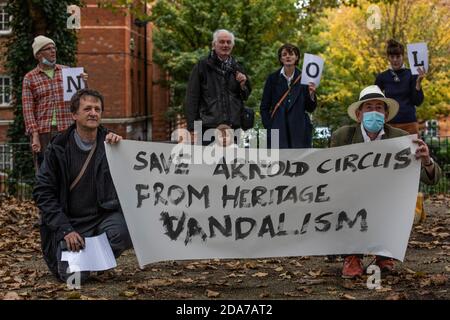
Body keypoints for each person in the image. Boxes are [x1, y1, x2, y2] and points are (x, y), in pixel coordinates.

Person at [331, 85, 441, 278]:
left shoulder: (400, 138)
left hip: (385, 199)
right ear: (359, 114)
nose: (374, 112)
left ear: (386, 113)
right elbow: (327, 173)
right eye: (369, 108)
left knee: (392, 204)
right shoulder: (343, 137)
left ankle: (384, 255)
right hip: (351, 197)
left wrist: (426, 161)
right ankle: (352, 256)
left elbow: (430, 179)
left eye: (379, 108)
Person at [33, 88, 132, 283]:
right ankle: (83, 257)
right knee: (74, 278)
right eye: (87, 109)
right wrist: (65, 230)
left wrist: (121, 151)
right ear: (74, 115)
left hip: (100, 219)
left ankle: (92, 256)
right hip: (69, 223)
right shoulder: (58, 148)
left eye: (97, 109)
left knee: (124, 232)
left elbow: (131, 180)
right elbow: (42, 192)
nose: (93, 113)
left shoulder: (111, 144)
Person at [22, 35, 89, 171]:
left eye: (54, 48)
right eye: (48, 48)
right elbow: (28, 110)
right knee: (45, 171)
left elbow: (81, 99)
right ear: (39, 54)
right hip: (44, 132)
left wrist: (84, 83)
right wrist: (34, 135)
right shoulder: (30, 78)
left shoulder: (67, 71)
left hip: (67, 129)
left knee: (70, 169)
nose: (53, 51)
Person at [185, 29, 251, 145]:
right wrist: (192, 128)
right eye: (221, 42)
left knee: (232, 163)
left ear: (232, 46)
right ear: (214, 44)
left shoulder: (238, 66)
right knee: (209, 162)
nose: (225, 45)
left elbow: (245, 96)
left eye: (228, 42)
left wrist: (243, 85)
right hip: (208, 129)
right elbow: (192, 98)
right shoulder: (202, 66)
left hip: (233, 128)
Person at [260, 43, 317, 149]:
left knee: (298, 163)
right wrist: (270, 126)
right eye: (284, 54)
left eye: (291, 54)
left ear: (296, 57)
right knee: (279, 164)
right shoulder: (272, 79)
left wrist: (311, 94)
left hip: (299, 131)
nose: (288, 56)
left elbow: (310, 108)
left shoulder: (305, 78)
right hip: (278, 130)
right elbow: (264, 106)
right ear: (281, 59)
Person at [375, 39, 425, 135]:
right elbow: (375, 100)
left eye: (398, 56)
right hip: (389, 125)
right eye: (392, 56)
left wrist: (418, 82)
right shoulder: (382, 77)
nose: (395, 60)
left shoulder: (412, 74)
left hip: (410, 124)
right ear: (388, 58)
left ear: (403, 56)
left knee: (413, 150)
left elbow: (417, 102)